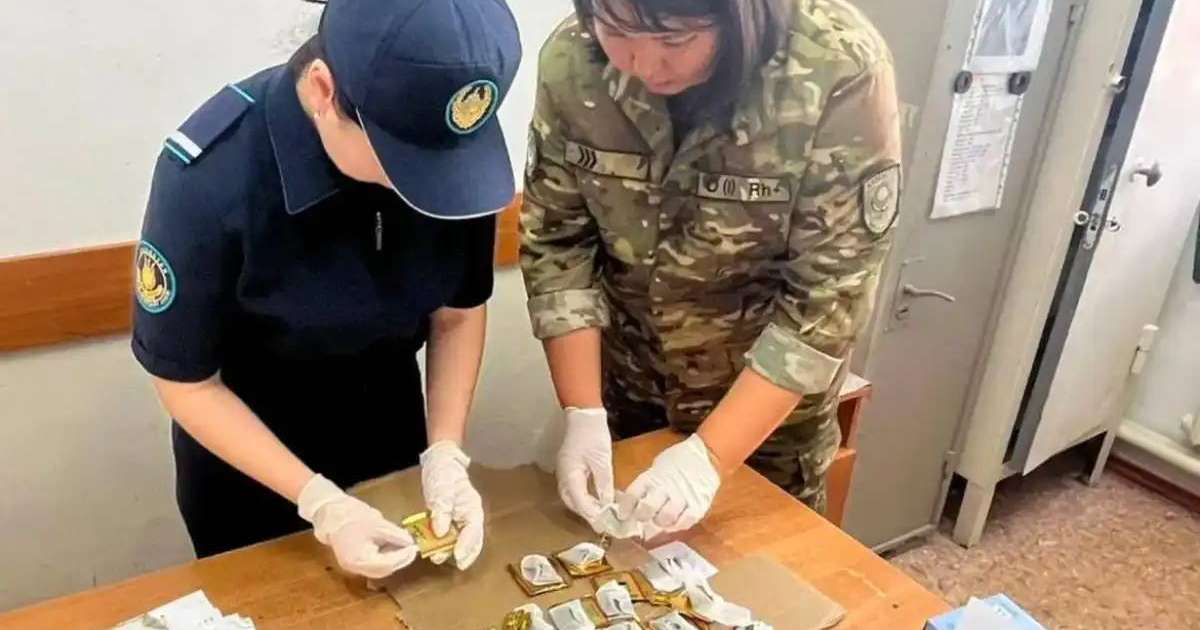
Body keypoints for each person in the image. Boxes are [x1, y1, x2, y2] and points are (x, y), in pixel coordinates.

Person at [131, 0, 521, 577]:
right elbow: (187, 384)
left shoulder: (447, 149)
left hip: (391, 428)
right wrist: (322, 503)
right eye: (401, 160)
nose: (425, 187)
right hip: (250, 462)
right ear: (322, 90)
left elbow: (457, 313)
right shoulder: (211, 176)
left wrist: (444, 450)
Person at [521, 0, 901, 534]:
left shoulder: (837, 66)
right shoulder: (573, 59)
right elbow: (559, 246)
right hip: (626, 394)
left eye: (675, 42)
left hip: (764, 423)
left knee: (763, 593)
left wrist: (709, 459)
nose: (644, 65)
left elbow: (828, 298)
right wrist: (582, 414)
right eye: (618, 31)